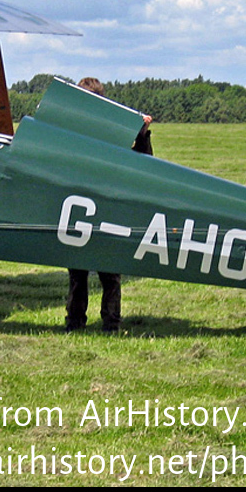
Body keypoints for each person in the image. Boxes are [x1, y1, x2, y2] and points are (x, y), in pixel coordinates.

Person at [65, 77, 153, 333]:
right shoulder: (73, 131)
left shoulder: (114, 130)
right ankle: (77, 322)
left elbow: (143, 160)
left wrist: (143, 134)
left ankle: (109, 323)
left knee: (108, 273)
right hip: (83, 204)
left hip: (105, 205)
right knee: (79, 273)